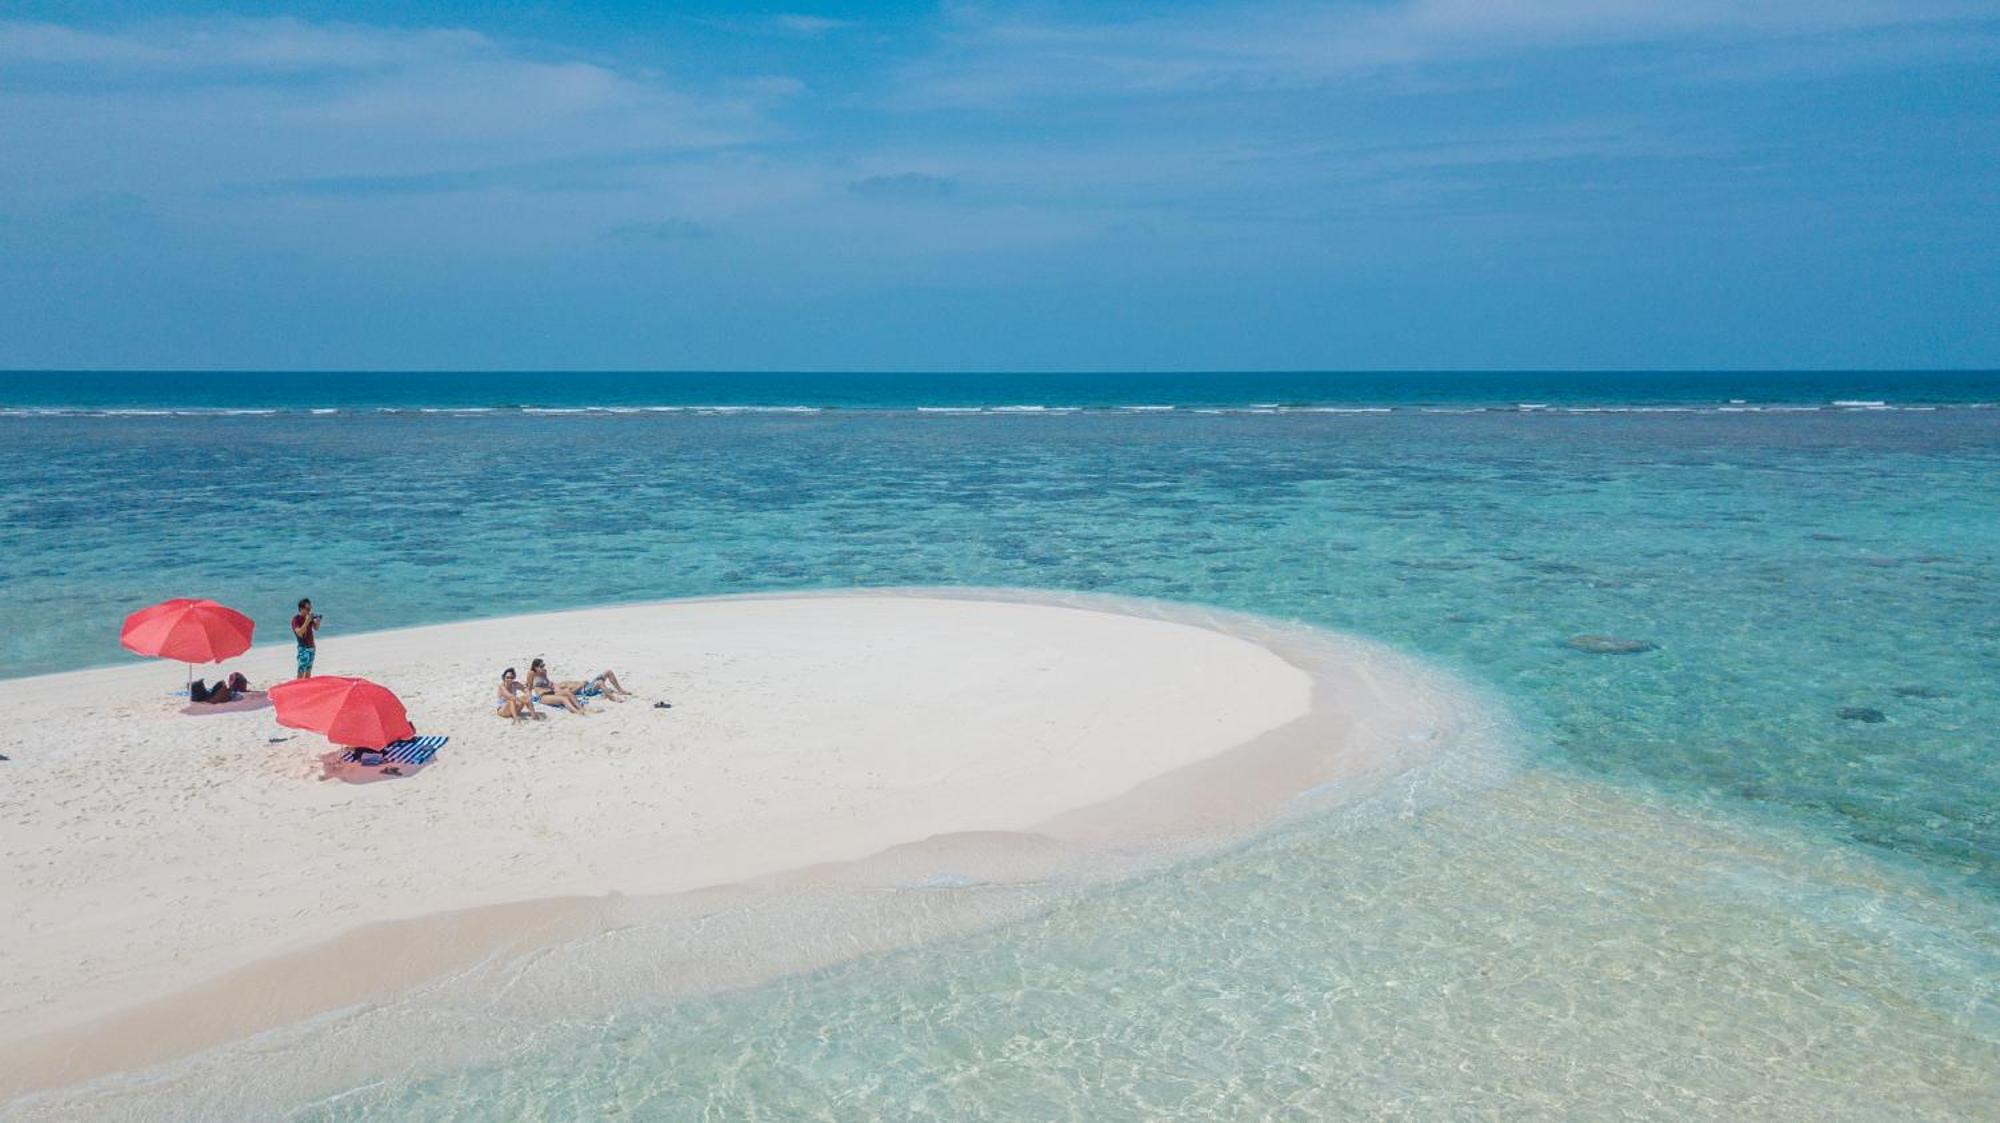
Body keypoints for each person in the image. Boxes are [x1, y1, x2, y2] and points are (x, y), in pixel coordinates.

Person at [534, 657, 631, 703]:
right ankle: (613, 698)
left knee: (608, 672)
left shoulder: (558, 683)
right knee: (600, 682)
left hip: (587, 684)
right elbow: (570, 692)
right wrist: (580, 685)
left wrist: (581, 681)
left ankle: (620, 690)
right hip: (586, 690)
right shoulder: (559, 687)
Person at [525, 658, 590, 715]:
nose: (543, 667)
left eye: (543, 665)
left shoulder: (544, 672)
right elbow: (529, 687)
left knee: (568, 692)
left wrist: (550, 685)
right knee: (564, 699)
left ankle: (581, 708)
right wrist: (529, 698)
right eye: (541, 666)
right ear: (535, 667)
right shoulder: (531, 673)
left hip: (551, 691)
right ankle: (577, 711)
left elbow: (547, 682)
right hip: (542, 696)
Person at [291, 598, 321, 680]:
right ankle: (298, 688)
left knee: (308, 670)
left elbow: (316, 628)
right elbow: (299, 632)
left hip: (312, 647)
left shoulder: (308, 618)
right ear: (301, 609)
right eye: (307, 609)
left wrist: (317, 622)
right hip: (303, 648)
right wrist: (307, 621)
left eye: (310, 609)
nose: (309, 611)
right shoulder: (296, 619)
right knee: (301, 671)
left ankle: (305, 688)